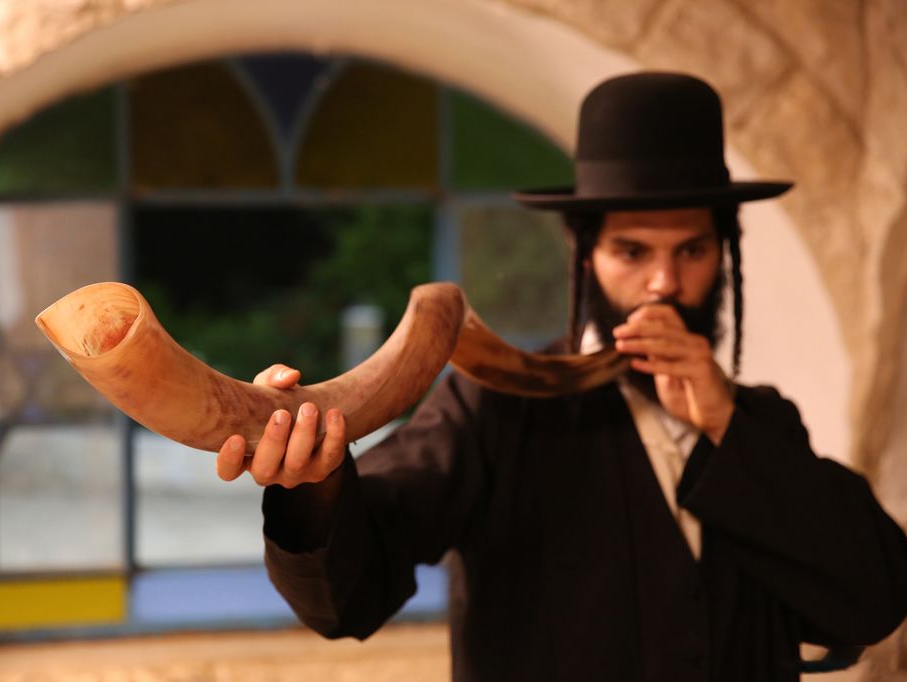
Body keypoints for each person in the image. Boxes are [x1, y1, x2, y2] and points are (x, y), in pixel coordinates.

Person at [215, 72, 907, 680]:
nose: (664, 283)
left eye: (693, 250)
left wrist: (725, 425)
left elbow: (874, 597)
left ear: (724, 255)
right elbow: (349, 597)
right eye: (632, 251)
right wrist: (316, 488)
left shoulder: (761, 421)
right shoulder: (498, 405)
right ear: (585, 256)